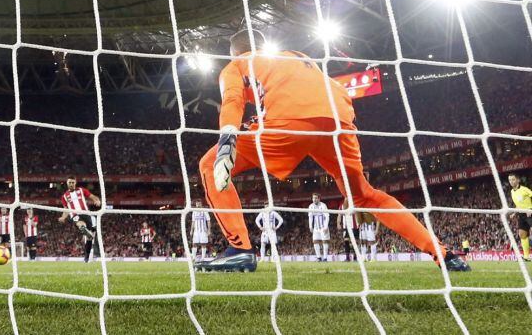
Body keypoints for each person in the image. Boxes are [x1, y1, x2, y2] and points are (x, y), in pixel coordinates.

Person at [197, 29, 469, 272]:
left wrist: (228, 138)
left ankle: (239, 250)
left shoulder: (236, 65)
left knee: (209, 166)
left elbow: (233, 98)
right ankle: (444, 255)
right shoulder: (295, 55)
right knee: (364, 195)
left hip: (292, 120)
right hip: (338, 118)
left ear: (233, 53)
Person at [58, 176, 102, 263]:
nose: (71, 184)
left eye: (72, 182)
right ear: (67, 183)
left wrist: (97, 201)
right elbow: (66, 209)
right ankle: (83, 229)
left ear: (75, 183)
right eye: (69, 182)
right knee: (80, 223)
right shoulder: (64, 196)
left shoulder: (82, 190)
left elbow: (93, 197)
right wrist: (63, 217)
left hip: (86, 213)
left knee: (90, 239)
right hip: (75, 214)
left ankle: (86, 256)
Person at [509, 174, 532, 261]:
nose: (511, 181)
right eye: (510, 180)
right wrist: (514, 213)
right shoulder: (512, 192)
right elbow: (518, 205)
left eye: (513, 179)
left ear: (518, 180)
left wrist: (531, 209)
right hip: (521, 214)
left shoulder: (524, 189)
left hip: (529, 212)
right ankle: (526, 256)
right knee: (522, 235)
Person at [308, 194, 330, 262]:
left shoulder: (323, 205)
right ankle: (318, 257)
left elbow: (327, 216)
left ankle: (325, 258)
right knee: (315, 241)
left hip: (323, 227)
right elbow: (310, 217)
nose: (314, 199)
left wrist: (326, 226)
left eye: (316, 198)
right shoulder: (311, 206)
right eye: (313, 198)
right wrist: (310, 226)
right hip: (316, 227)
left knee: (325, 242)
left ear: (319, 199)